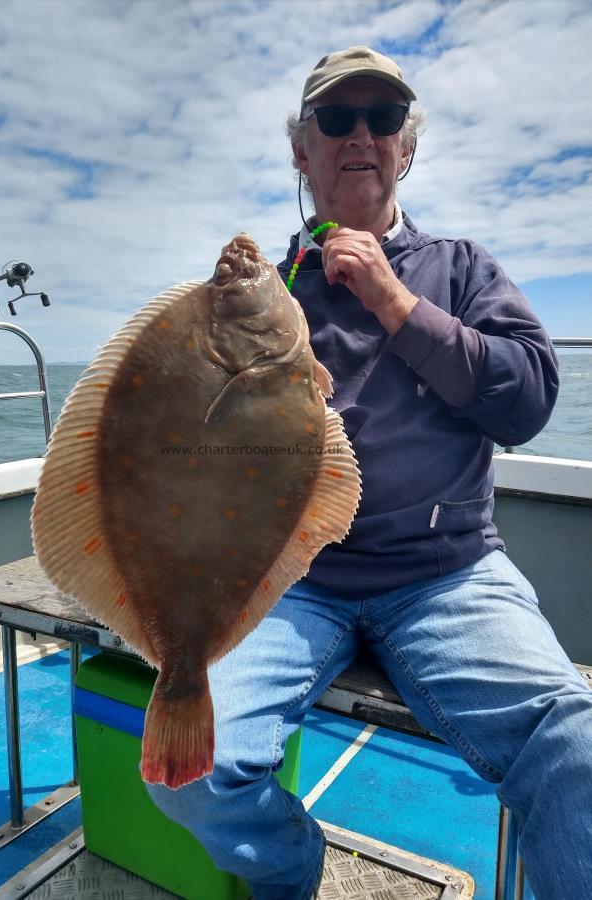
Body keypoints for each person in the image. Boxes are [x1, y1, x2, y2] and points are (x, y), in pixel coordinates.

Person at [147, 46, 592, 899]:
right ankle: (294, 873)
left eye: (382, 119)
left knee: (573, 741)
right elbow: (193, 456)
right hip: (286, 579)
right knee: (190, 770)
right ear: (300, 150)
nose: (361, 135)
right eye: (336, 119)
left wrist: (396, 302)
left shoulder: (459, 269)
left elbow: (527, 402)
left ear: (405, 148)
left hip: (446, 573)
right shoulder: (261, 290)